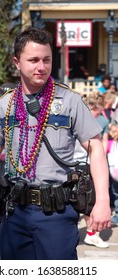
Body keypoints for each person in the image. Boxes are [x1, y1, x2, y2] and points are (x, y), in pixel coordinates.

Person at [0, 27, 111, 260]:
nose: (41, 67)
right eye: (33, 60)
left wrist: (103, 200)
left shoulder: (70, 101)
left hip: (57, 215)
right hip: (15, 214)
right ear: (17, 62)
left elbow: (96, 149)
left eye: (46, 60)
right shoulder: (4, 106)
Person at [74, 93, 109, 248]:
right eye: (97, 111)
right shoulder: (78, 119)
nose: (98, 115)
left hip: (86, 165)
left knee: (88, 201)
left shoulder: (92, 122)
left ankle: (91, 233)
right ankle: (88, 234)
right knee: (82, 201)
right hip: (76, 166)